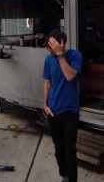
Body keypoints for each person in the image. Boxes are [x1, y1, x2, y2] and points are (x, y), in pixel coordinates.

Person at [42, 29, 82, 182]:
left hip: (70, 111)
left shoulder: (75, 56)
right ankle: (64, 176)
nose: (49, 50)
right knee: (58, 149)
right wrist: (44, 105)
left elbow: (70, 76)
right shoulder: (48, 58)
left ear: (61, 44)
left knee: (69, 150)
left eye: (51, 46)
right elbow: (47, 82)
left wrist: (60, 55)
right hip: (53, 111)